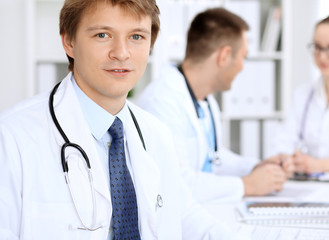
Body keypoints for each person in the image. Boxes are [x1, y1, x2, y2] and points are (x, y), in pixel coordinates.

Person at [0, 0, 239, 239]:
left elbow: (184, 214)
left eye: (136, 37)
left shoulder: (156, 133)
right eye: (102, 35)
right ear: (69, 42)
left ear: (150, 45)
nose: (121, 53)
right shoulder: (12, 138)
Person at [137, 7, 293, 204]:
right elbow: (176, 184)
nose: (243, 67)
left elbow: (214, 158)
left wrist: (258, 167)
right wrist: (248, 185)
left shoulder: (205, 101)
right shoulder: (162, 102)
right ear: (224, 56)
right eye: (243, 57)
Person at [269, 14, 329, 174]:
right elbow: (283, 141)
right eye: (317, 47)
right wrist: (286, 160)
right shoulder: (302, 94)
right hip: (307, 184)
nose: (322, 56)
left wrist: (319, 165)